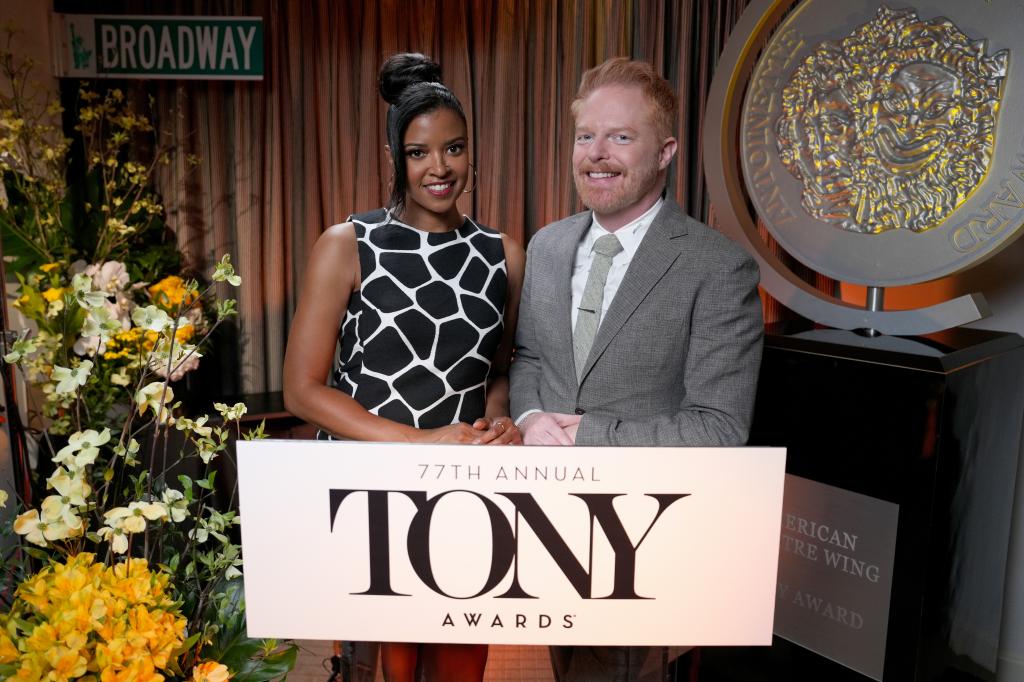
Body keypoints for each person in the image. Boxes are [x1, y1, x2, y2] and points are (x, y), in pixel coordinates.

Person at [509, 57, 764, 680]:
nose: (597, 154)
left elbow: (721, 428)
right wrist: (529, 414)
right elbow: (530, 358)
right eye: (585, 135)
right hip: (548, 527)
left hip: (648, 542)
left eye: (621, 137)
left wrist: (585, 435)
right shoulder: (545, 246)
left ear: (665, 151)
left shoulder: (717, 267)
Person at [283, 52, 525, 682]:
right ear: (397, 158)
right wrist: (420, 442)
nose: (439, 168)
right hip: (370, 494)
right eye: (419, 153)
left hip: (467, 497)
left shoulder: (504, 255)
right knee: (381, 668)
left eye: (454, 149)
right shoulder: (349, 244)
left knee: (459, 668)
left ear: (471, 153)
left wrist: (497, 421)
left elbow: (496, 370)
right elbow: (303, 390)